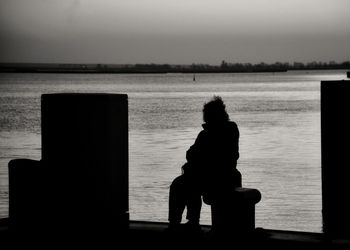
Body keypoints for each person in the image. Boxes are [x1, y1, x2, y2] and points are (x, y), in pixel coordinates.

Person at [168, 96, 241, 231]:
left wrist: (198, 159)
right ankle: (182, 222)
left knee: (186, 183)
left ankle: (189, 222)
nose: (205, 118)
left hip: (222, 176)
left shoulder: (225, 130)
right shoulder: (206, 133)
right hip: (208, 176)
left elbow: (205, 155)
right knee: (181, 183)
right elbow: (191, 154)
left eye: (207, 115)